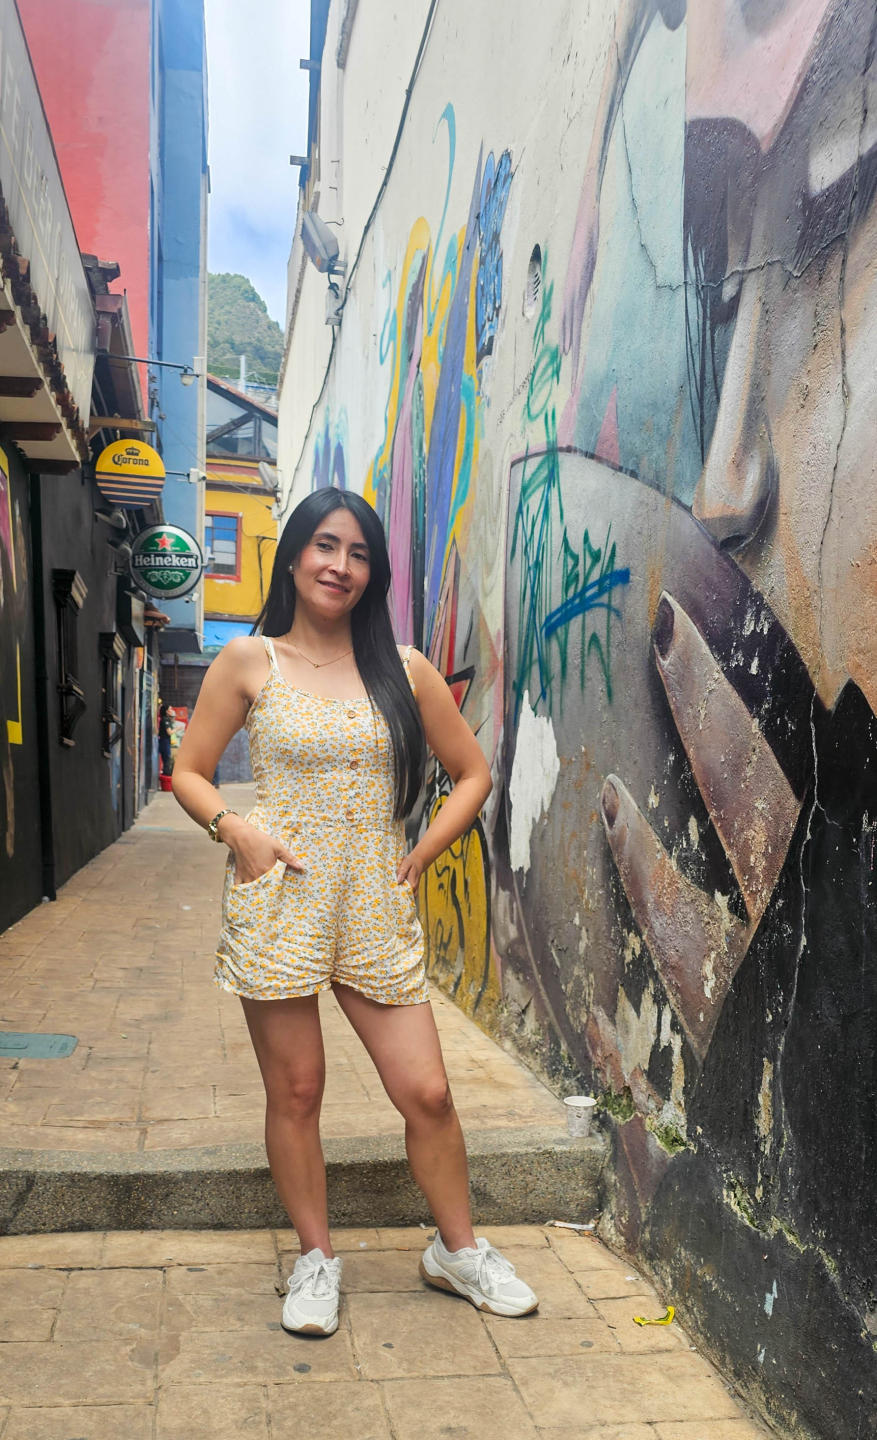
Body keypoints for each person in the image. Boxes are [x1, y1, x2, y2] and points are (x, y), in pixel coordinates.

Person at [171, 486, 538, 1336]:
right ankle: (315, 1259)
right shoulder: (249, 661)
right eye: (326, 546)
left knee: (428, 1093)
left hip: (373, 905)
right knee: (297, 1091)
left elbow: (473, 773)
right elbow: (189, 771)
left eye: (359, 553)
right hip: (280, 902)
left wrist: (423, 850)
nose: (340, 566)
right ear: (294, 557)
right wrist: (236, 831)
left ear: (373, 574)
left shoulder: (403, 669)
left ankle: (456, 1252)